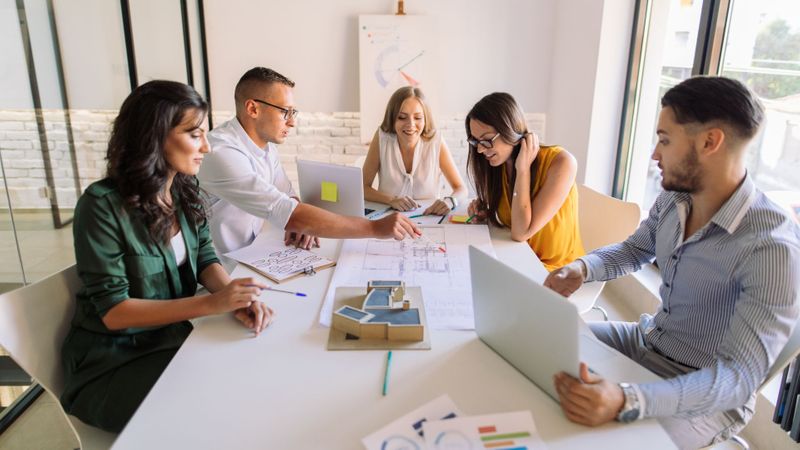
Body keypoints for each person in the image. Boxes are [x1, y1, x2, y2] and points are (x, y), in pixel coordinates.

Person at [545, 76, 800, 449]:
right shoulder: (676, 198)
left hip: (705, 390)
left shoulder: (772, 249)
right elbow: (634, 251)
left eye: (664, 140)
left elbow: (736, 378)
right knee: (542, 344)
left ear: (710, 142)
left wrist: (629, 399)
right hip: (645, 341)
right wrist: (582, 268)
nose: (654, 154)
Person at [60, 80, 274, 433]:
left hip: (171, 342)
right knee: (224, 411)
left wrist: (234, 297)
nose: (206, 146)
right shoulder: (100, 206)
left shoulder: (184, 190)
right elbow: (115, 313)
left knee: (254, 377)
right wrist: (212, 304)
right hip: (111, 365)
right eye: (194, 134)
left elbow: (205, 257)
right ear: (153, 137)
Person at [197, 67, 419, 260]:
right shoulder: (221, 152)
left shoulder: (266, 147)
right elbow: (287, 210)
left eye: (293, 112)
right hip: (221, 272)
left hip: (253, 256)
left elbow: (287, 195)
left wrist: (302, 224)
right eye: (285, 112)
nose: (292, 122)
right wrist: (374, 228)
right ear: (253, 109)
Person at [465, 92, 584, 271]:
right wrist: (486, 211)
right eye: (476, 141)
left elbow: (521, 233)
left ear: (510, 129)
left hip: (557, 272)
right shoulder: (499, 164)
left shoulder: (562, 163)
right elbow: (512, 222)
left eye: (487, 140)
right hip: (517, 259)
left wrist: (523, 169)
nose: (481, 149)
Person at [362, 86, 466, 215]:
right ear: (392, 117)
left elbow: (461, 189)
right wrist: (391, 200)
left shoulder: (435, 141)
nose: (411, 124)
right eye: (402, 117)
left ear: (425, 118)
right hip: (389, 219)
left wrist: (450, 201)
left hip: (428, 219)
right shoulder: (382, 138)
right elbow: (362, 187)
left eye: (417, 118)